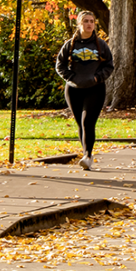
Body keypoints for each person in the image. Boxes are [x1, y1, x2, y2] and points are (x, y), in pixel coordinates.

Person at [55, 10, 114, 170]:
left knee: (88, 121)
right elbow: (60, 65)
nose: (89, 24)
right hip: (74, 89)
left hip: (95, 88)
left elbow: (109, 65)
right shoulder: (71, 44)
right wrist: (71, 77)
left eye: (92, 21)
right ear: (79, 24)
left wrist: (97, 78)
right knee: (80, 124)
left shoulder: (100, 44)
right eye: (86, 21)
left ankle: (87, 155)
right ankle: (85, 153)